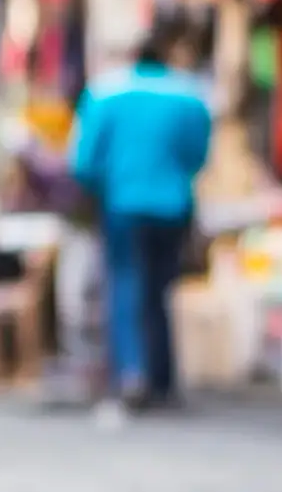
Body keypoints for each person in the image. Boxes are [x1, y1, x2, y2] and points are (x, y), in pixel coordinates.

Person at [69, 29, 212, 410]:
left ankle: (133, 373)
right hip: (172, 205)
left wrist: (101, 184)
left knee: (127, 285)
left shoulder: (105, 93)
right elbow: (198, 155)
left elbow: (83, 162)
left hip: (123, 204)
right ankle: (162, 378)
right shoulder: (189, 94)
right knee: (161, 291)